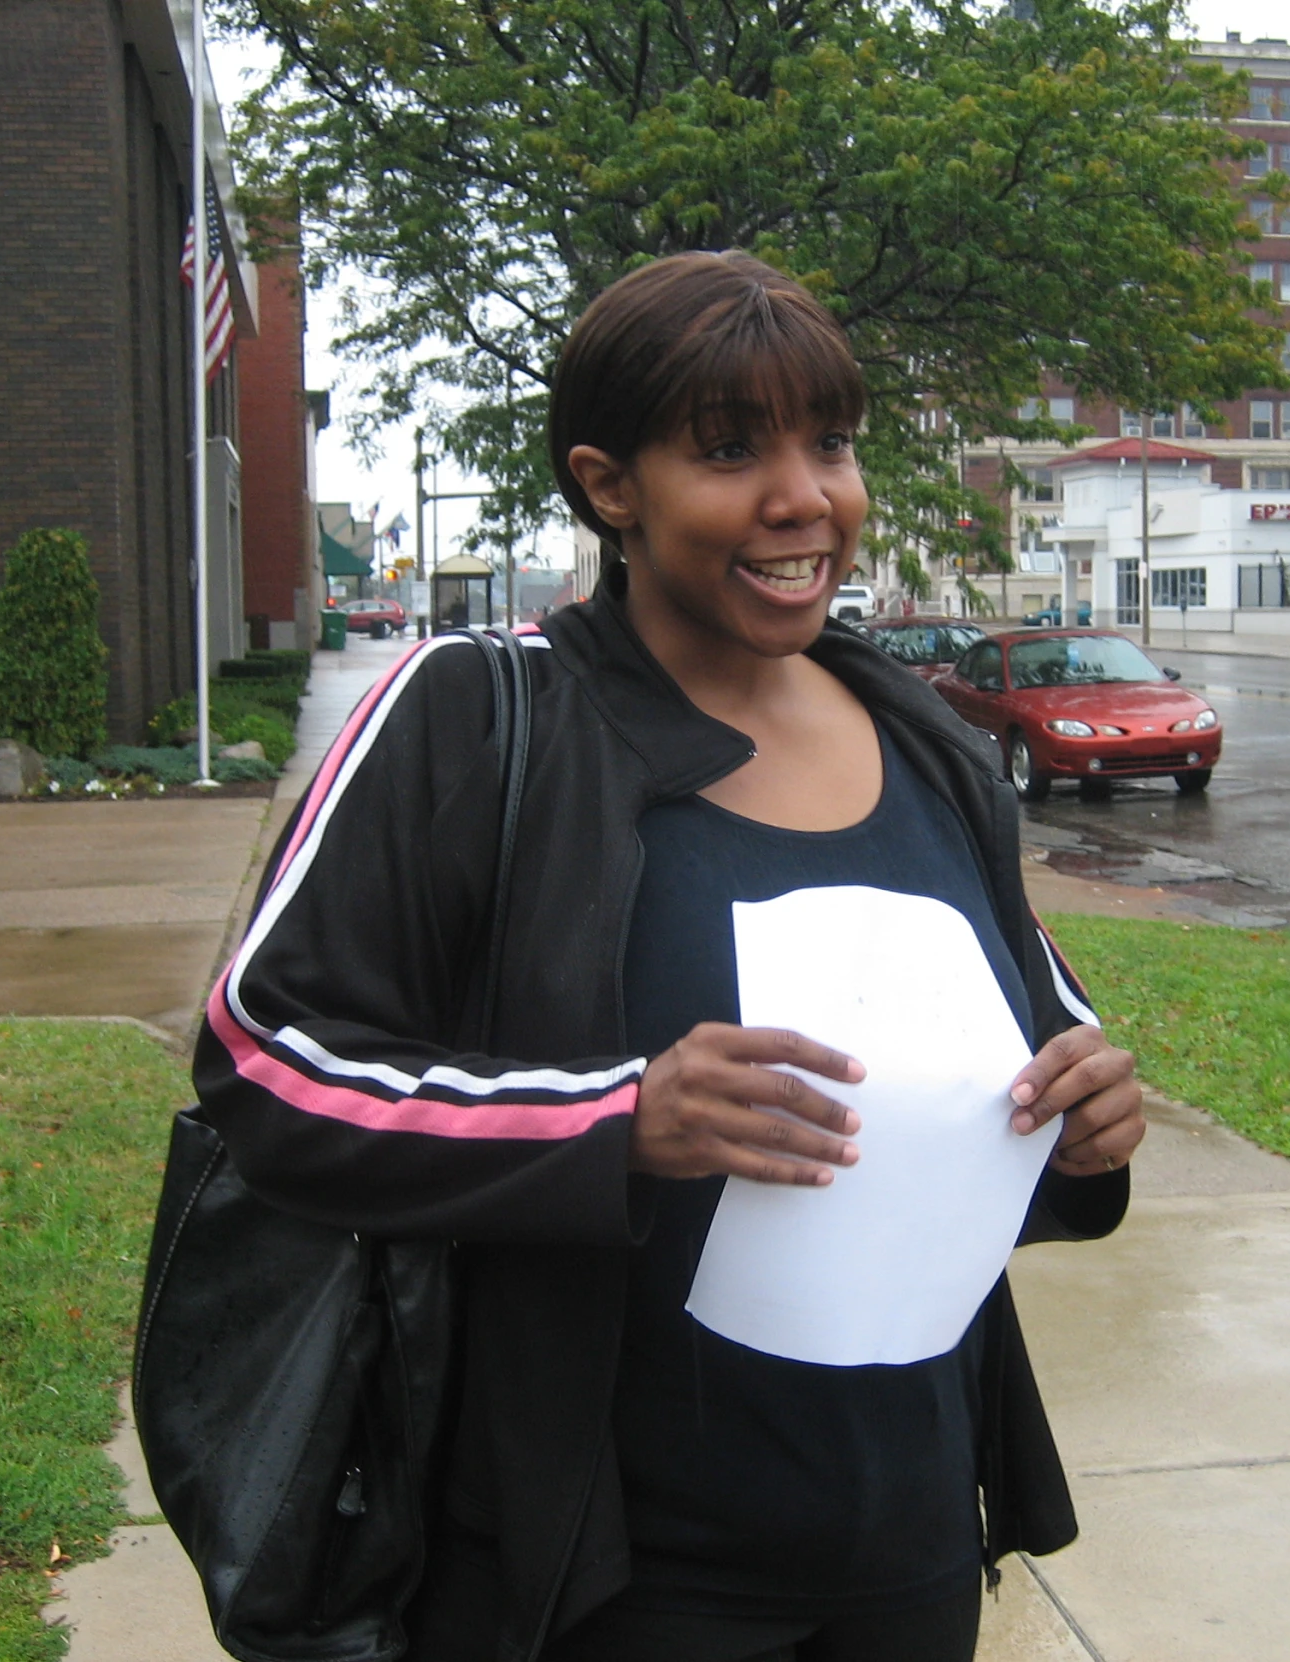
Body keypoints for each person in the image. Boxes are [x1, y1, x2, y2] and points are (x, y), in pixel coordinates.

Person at [195, 251, 1147, 1662]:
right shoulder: (477, 721)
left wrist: (1082, 1123)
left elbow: (1036, 1034)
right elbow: (265, 1058)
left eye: (829, 442)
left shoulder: (927, 742)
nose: (803, 497)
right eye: (727, 449)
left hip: (910, 1539)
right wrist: (612, 1120)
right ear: (609, 483)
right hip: (610, 1568)